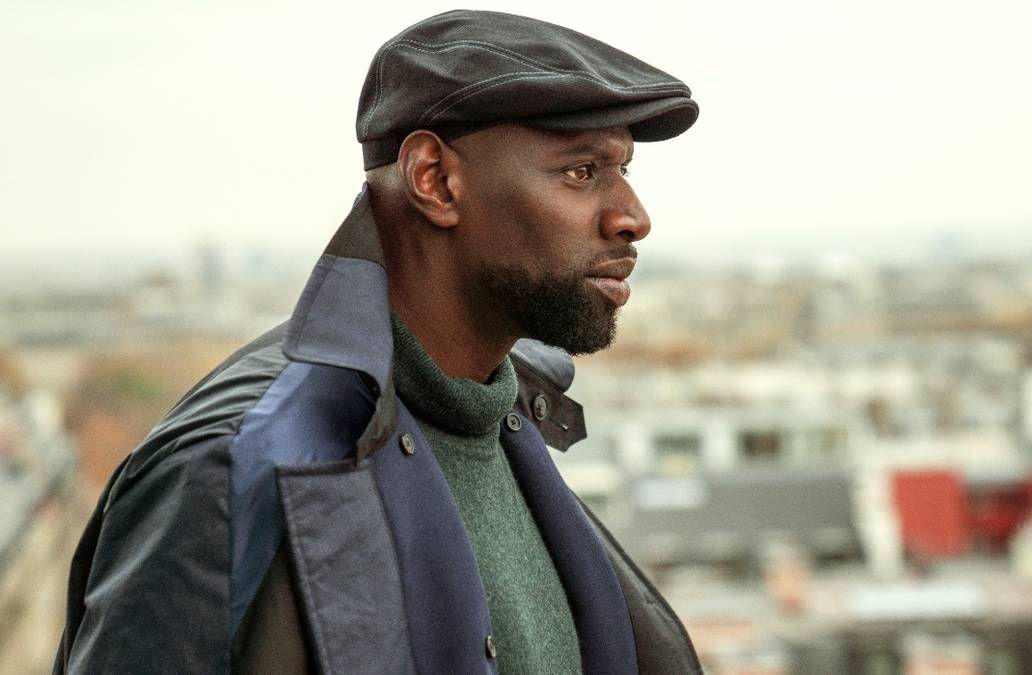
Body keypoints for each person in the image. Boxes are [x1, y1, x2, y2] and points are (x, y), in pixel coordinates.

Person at [54, 9, 700, 675]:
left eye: (624, 167)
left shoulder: (500, 421)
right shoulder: (238, 467)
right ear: (434, 179)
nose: (633, 217)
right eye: (582, 170)